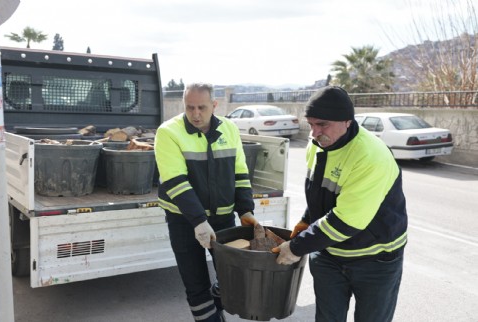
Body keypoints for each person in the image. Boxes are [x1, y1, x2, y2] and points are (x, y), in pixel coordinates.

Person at [273, 86, 408, 322]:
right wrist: (307, 220)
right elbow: (318, 191)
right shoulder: (317, 144)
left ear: (347, 121)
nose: (314, 132)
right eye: (311, 124)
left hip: (375, 260)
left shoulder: (370, 156)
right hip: (329, 255)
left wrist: (296, 248)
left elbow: (345, 222)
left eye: (322, 124)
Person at [154, 82, 258, 322]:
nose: (196, 114)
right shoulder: (169, 132)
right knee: (196, 284)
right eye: (190, 108)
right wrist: (199, 222)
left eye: (202, 107)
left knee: (232, 278)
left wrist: (246, 210)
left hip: (223, 218)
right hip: (184, 221)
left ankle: (217, 306)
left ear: (214, 105)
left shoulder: (229, 129)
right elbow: (176, 181)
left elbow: (240, 172)